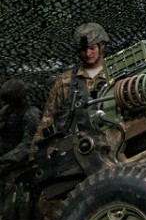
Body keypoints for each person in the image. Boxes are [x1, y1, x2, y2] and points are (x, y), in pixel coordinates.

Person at [30, 22, 110, 154]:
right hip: (78, 149)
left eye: (92, 48)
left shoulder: (116, 71)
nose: (88, 53)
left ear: (102, 45)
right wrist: (35, 155)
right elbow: (47, 120)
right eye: (83, 50)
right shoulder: (65, 81)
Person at [0, 78, 40, 220]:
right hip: (6, 168)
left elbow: (29, 145)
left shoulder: (31, 114)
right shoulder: (5, 112)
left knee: (17, 211)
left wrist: (5, 159)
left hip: (23, 170)